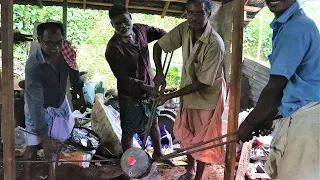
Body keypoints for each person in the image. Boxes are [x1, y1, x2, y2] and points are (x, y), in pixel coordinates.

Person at [238, 0, 320, 179]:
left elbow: (276, 85)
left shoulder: (295, 28)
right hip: (305, 117)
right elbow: (290, 85)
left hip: (306, 122)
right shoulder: (294, 24)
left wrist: (250, 123)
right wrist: (268, 117)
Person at [153, 0, 226, 179]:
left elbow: (203, 82)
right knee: (188, 135)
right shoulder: (185, 28)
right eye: (190, 13)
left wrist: (171, 95)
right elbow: (158, 46)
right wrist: (160, 73)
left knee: (203, 140)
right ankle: (189, 171)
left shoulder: (215, 43)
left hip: (208, 96)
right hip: (188, 92)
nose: (193, 17)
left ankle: (198, 175)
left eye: (199, 13)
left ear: (208, 15)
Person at [105, 3, 173, 165]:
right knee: (128, 131)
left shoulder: (140, 30)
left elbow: (162, 34)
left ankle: (158, 154)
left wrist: (170, 41)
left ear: (130, 17)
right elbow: (124, 79)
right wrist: (147, 87)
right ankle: (130, 165)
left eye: (124, 21)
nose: (122, 26)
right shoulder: (114, 48)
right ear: (112, 25)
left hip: (150, 88)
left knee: (154, 123)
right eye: (117, 23)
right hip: (130, 95)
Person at [23, 20, 85, 180]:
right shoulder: (34, 64)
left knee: (55, 145)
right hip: (37, 107)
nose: (55, 47)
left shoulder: (66, 52)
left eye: (59, 42)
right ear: (39, 40)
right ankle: (27, 175)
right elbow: (35, 102)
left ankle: (51, 175)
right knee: (32, 143)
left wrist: (80, 95)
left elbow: (74, 73)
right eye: (49, 43)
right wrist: (43, 136)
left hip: (58, 103)